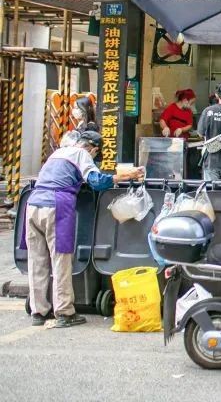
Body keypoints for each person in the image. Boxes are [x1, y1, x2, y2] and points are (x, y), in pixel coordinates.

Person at [25, 131, 142, 327]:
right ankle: (64, 312)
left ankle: (39, 311)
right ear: (93, 148)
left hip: (33, 204)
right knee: (61, 259)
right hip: (56, 205)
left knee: (37, 261)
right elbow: (96, 182)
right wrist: (124, 176)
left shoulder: (57, 153)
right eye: (96, 154)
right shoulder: (81, 154)